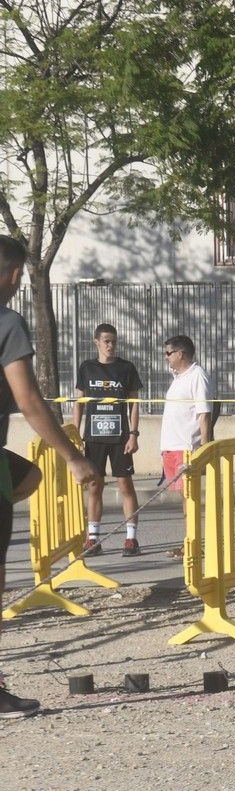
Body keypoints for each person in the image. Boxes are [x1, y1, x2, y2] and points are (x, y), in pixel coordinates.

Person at [0, 235, 99, 718]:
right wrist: (73, 458)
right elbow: (29, 400)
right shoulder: (8, 322)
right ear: (15, 274)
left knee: (27, 477)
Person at [75, 324, 143, 557]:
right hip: (93, 438)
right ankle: (93, 538)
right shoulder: (86, 368)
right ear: (96, 342)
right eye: (106, 341)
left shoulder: (126, 368)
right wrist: (76, 433)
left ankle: (131, 539)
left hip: (120, 438)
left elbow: (134, 404)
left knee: (125, 484)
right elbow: (79, 403)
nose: (110, 345)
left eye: (113, 341)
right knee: (94, 485)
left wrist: (133, 434)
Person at [159, 334, 214, 558]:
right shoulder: (178, 378)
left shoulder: (197, 376)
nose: (166, 357)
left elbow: (203, 415)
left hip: (186, 446)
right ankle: (188, 542)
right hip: (171, 446)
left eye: (168, 353)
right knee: (184, 498)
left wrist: (204, 447)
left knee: (190, 498)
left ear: (180, 353)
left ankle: (194, 545)